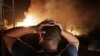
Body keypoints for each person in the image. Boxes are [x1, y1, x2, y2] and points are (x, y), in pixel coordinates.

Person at [3, 19, 79, 56]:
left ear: (41, 39)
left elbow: (8, 36)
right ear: (59, 38)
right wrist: (61, 31)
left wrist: (34, 28)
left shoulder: (28, 54)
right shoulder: (69, 55)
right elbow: (75, 41)